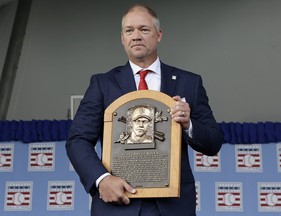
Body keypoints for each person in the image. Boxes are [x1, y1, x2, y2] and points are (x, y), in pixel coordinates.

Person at [66, 3, 223, 216]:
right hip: (118, 205)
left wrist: (189, 124)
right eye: (129, 31)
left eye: (144, 29)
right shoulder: (102, 84)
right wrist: (102, 179)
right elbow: (78, 140)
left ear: (159, 35)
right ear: (122, 38)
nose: (136, 36)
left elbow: (213, 142)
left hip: (172, 207)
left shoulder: (189, 83)